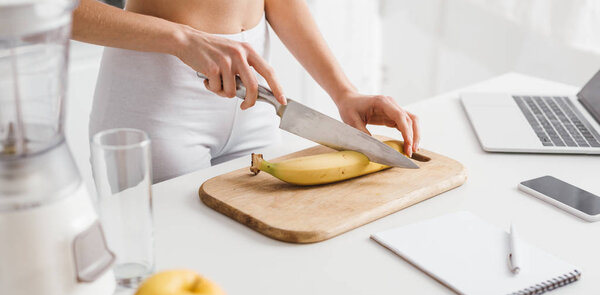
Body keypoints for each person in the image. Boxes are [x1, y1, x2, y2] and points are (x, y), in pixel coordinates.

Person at [73, 0, 420, 182]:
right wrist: (182, 38)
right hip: (155, 102)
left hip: (254, 102)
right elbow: (57, 9)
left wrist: (344, 92)